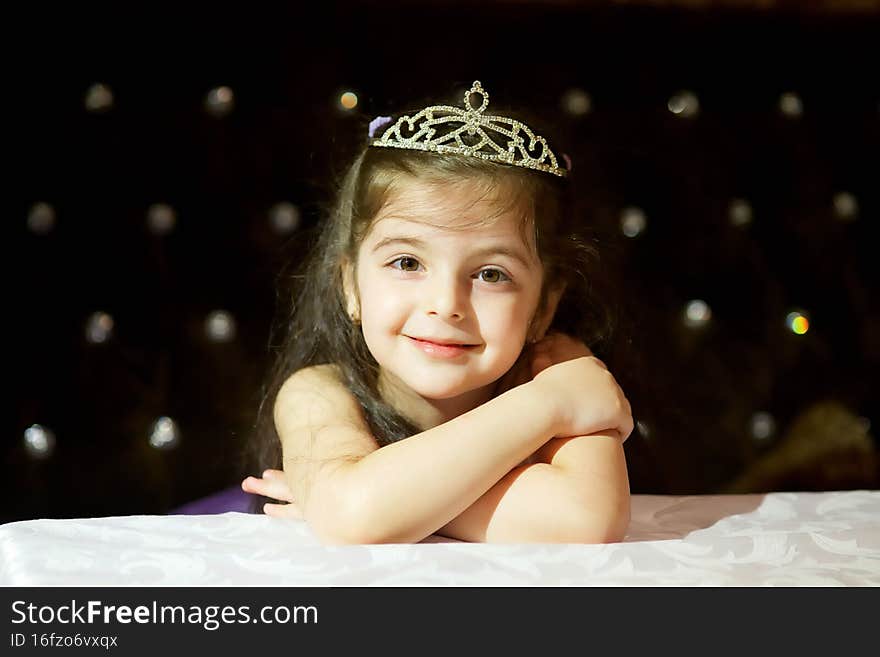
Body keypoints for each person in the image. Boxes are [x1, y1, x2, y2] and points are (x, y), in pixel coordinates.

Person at [241, 81, 634, 544]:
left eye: (491, 274)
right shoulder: (317, 390)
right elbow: (352, 515)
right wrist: (549, 406)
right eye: (407, 263)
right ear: (351, 285)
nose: (446, 304)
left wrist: (368, 500)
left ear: (543, 305)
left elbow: (587, 520)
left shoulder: (561, 369)